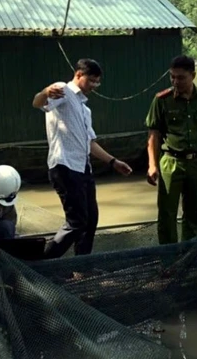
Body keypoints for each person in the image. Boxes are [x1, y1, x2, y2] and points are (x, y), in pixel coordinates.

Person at [33, 58, 132, 258]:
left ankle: (81, 267)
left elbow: (90, 143)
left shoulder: (84, 108)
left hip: (82, 168)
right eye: (92, 81)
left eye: (98, 82)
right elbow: (37, 103)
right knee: (76, 221)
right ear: (79, 75)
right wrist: (45, 92)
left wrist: (113, 162)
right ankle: (44, 263)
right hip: (64, 165)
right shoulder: (63, 90)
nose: (95, 86)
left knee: (90, 220)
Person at [145, 55, 197, 245]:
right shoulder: (162, 100)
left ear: (193, 75)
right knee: (166, 213)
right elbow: (153, 134)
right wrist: (152, 165)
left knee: (193, 211)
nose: (175, 81)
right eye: (172, 77)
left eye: (181, 77)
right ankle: (169, 257)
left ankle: (189, 253)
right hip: (171, 162)